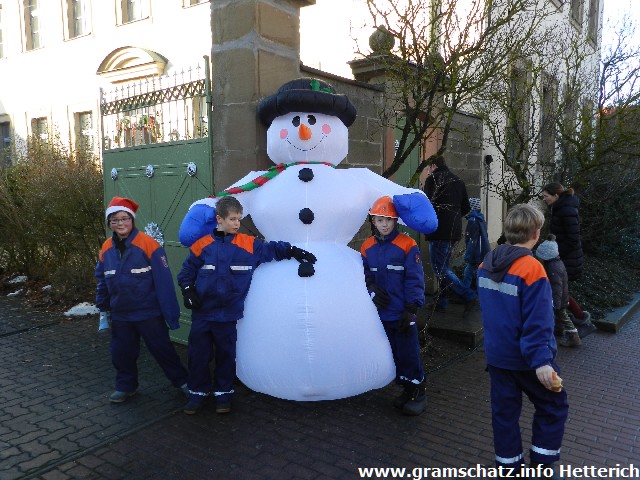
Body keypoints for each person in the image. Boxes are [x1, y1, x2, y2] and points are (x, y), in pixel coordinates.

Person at [177, 196, 316, 415]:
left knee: (226, 355)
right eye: (232, 219)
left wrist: (293, 251)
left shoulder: (249, 245)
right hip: (203, 314)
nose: (237, 224)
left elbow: (272, 250)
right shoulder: (201, 246)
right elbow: (186, 272)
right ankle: (197, 393)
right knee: (198, 355)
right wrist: (188, 291)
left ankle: (223, 394)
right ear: (219, 219)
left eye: (239, 219)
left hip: (228, 316)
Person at [477, 204, 568, 476]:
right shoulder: (532, 269)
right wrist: (542, 362)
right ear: (536, 233)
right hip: (527, 360)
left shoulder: (485, 264)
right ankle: (542, 464)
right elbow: (539, 321)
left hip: (497, 357)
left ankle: (509, 467)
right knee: (554, 404)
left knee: (504, 414)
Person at [95, 196, 189, 403]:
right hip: (121, 314)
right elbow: (102, 279)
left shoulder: (149, 244)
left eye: (124, 219)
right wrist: (102, 306)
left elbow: (164, 283)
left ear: (132, 220)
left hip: (148, 313)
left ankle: (183, 382)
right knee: (122, 354)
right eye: (114, 220)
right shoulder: (106, 248)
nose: (120, 223)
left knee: (163, 350)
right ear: (109, 223)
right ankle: (126, 386)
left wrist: (171, 315)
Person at [360, 196, 427, 416]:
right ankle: (406, 390)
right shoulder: (367, 247)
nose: (384, 224)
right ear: (373, 221)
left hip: (402, 314)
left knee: (409, 354)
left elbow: (414, 280)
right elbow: (364, 276)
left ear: (395, 220)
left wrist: (411, 309)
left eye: (388, 219)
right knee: (394, 356)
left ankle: (418, 391)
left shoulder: (408, 245)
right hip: (380, 315)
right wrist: (371, 288)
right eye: (380, 220)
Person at [423, 155, 476, 313]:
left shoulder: (433, 179)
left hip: (438, 230)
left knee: (440, 268)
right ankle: (441, 302)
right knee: (444, 267)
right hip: (454, 230)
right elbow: (466, 208)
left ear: (433, 165)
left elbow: (426, 205)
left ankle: (468, 294)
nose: (428, 171)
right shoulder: (458, 180)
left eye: (428, 168)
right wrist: (452, 217)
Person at [541, 183, 591, 325]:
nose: (544, 199)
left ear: (556, 196)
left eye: (546, 196)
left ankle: (577, 320)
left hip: (567, 259)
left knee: (559, 293)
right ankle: (577, 318)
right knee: (560, 292)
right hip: (564, 257)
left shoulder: (565, 209)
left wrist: (555, 254)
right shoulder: (560, 207)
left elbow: (573, 239)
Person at [535, 235, 581, 347]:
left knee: (563, 317)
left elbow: (557, 288)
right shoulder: (557, 263)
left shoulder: (553, 269)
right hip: (562, 297)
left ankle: (574, 337)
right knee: (561, 316)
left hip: (559, 299)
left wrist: (556, 304)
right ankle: (559, 331)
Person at [462, 197, 490, 292]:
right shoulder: (480, 219)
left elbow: (472, 240)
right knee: (476, 272)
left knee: (469, 272)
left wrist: (469, 256)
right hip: (481, 251)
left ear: (471, 208)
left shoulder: (473, 221)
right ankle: (478, 291)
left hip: (476, 253)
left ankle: (466, 292)